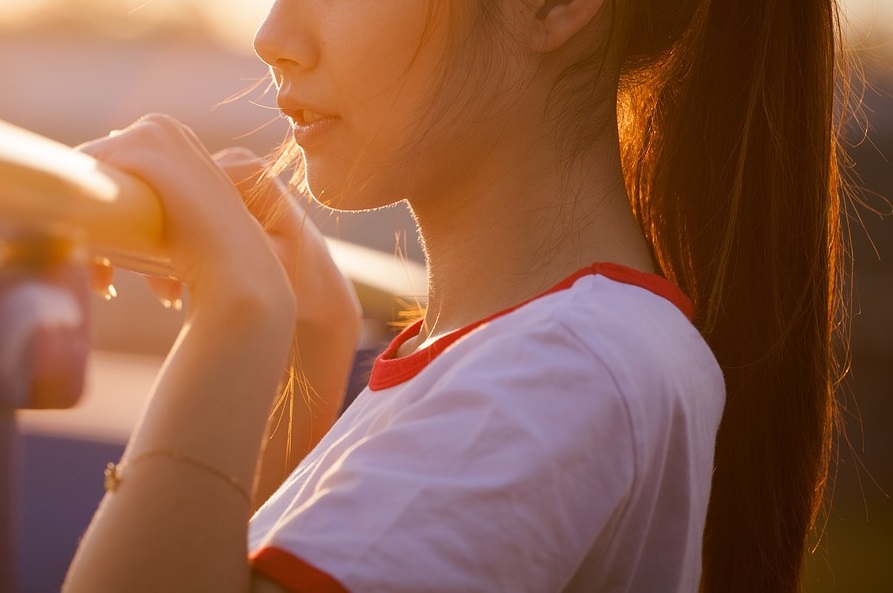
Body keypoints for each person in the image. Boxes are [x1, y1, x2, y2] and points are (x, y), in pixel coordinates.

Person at [62, 0, 848, 591]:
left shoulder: (567, 371)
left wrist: (235, 311)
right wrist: (309, 337)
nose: (272, 34)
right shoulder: (559, 355)